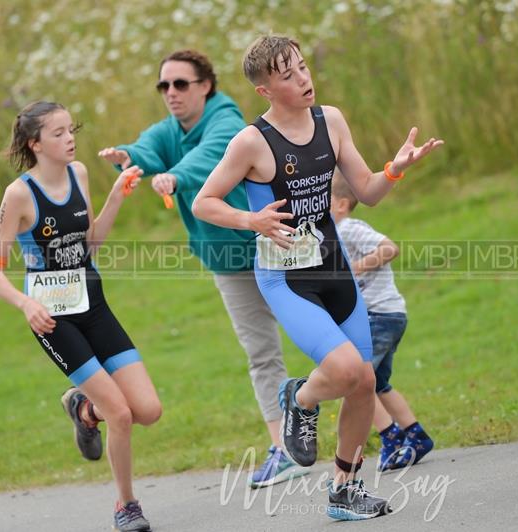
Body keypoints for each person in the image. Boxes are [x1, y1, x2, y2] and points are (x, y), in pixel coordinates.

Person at [192, 34, 443, 521]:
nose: (303, 79)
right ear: (266, 90)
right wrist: (252, 220)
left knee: (364, 381)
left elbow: (367, 192)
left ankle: (344, 491)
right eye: (288, 76)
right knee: (348, 370)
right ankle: (300, 397)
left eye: (303, 68)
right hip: (285, 278)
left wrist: (395, 169)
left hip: (333, 267)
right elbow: (205, 201)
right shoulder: (252, 141)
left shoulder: (332, 121)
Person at [98, 49, 308, 488]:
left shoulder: (226, 119)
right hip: (226, 261)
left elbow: (211, 156)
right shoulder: (171, 130)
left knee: (324, 337)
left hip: (274, 246)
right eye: (164, 86)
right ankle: (283, 450)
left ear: (205, 86)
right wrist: (129, 154)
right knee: (261, 354)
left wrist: (174, 177)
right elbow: (149, 146)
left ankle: (388, 424)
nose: (170, 93)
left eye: (180, 84)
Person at [0, 101, 161, 532]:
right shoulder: (20, 194)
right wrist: (27, 304)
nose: (70, 139)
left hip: (93, 304)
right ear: (35, 143)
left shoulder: (79, 173)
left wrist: (117, 195)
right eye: (59, 133)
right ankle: (126, 505)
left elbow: (90, 244)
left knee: (148, 409)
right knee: (120, 414)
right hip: (53, 319)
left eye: (72, 130)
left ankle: (84, 410)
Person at [330, 172, 434, 472]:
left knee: (357, 384)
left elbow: (389, 248)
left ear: (340, 205)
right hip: (386, 316)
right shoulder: (335, 236)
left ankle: (392, 440)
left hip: (380, 316)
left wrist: (357, 267)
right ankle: (416, 436)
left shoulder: (349, 228)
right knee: (380, 384)